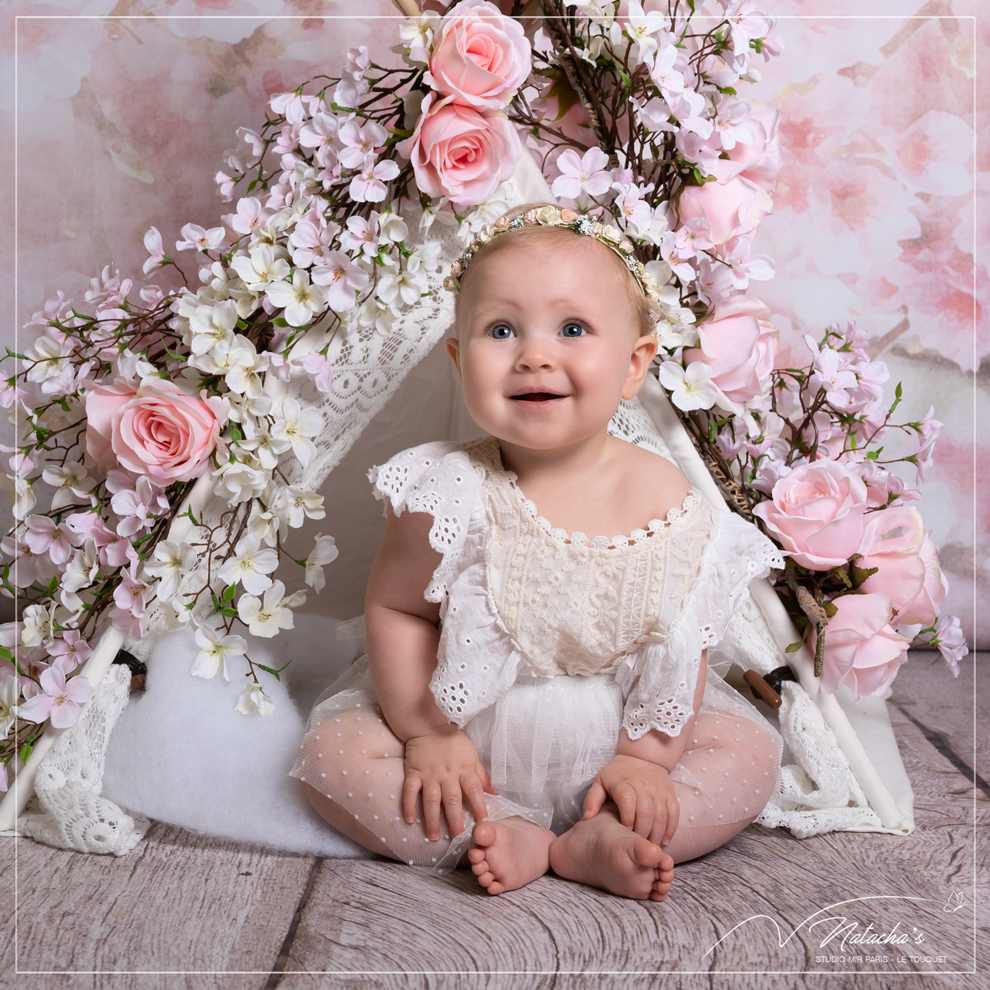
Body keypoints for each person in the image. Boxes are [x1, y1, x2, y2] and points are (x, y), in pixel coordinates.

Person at [290, 204, 783, 900]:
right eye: (500, 330)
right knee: (333, 759)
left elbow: (682, 642)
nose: (534, 353)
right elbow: (398, 610)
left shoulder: (666, 498)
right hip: (466, 741)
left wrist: (648, 760)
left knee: (750, 756)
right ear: (461, 359)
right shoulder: (447, 491)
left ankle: (606, 830)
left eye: (573, 328)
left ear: (634, 364)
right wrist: (428, 735)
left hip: (617, 739)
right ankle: (498, 827)